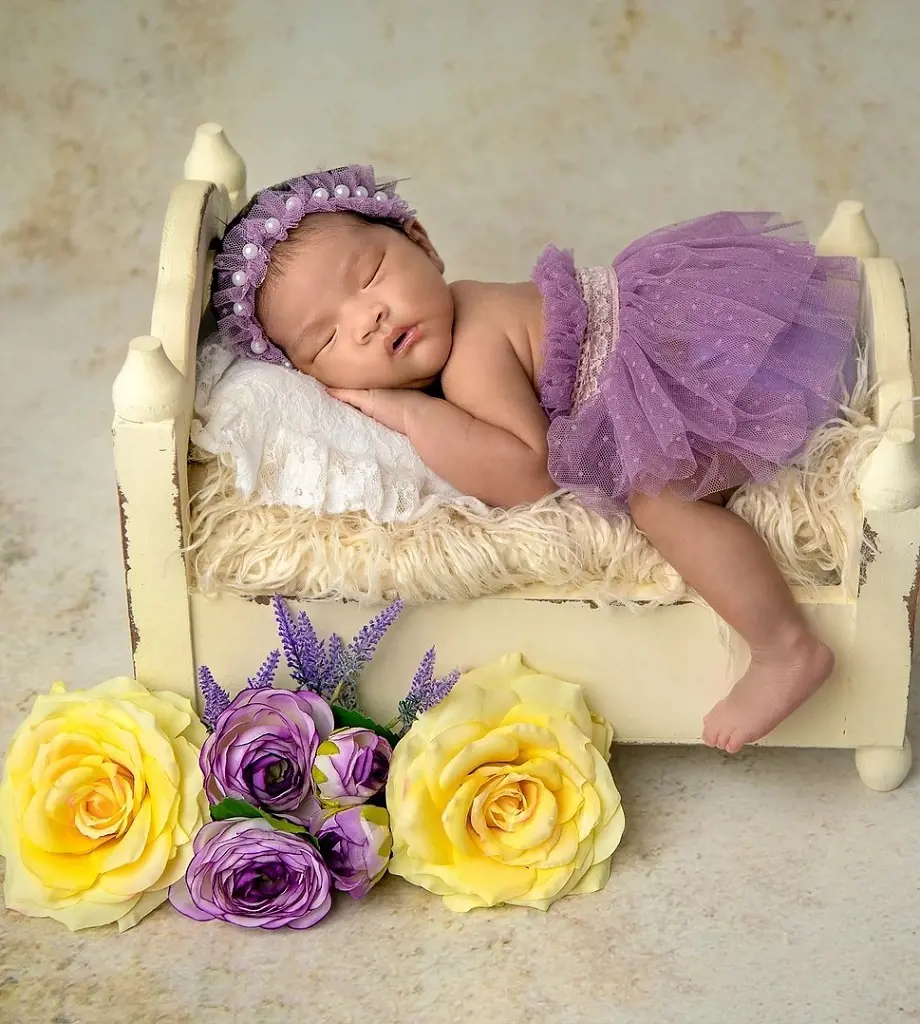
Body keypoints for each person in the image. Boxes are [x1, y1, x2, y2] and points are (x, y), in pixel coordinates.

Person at [213, 166, 860, 754]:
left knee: (661, 499)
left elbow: (531, 474)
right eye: (327, 336)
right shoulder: (460, 315)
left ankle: (785, 648)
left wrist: (413, 414)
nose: (368, 317)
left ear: (423, 242)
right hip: (692, 335)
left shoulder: (472, 347)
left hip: (689, 378)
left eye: (371, 273)